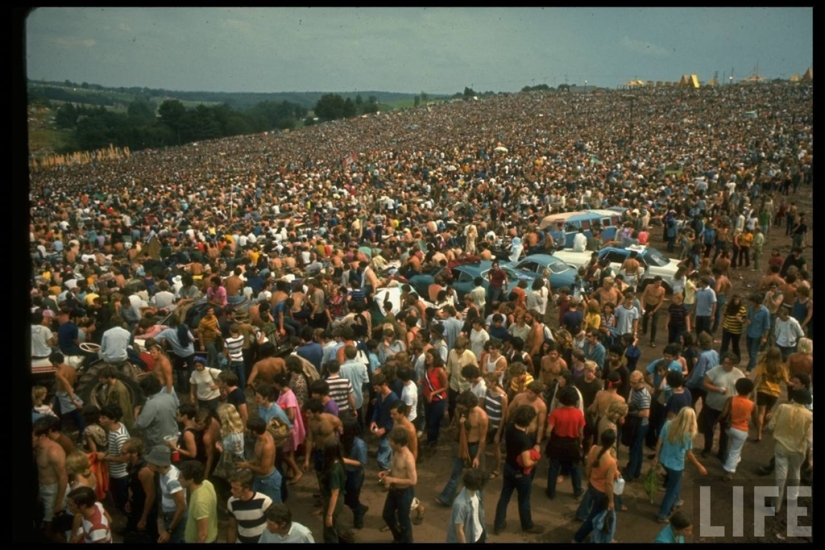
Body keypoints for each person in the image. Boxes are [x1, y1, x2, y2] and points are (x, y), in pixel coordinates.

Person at [492, 405, 544, 536]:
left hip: (508, 467)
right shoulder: (524, 440)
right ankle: (527, 525)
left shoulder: (510, 427)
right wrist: (536, 459)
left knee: (504, 496)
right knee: (524, 499)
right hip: (520, 473)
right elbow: (526, 463)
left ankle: (498, 525)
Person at [653, 408, 707, 523]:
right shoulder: (687, 434)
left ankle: (677, 501)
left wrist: (656, 457)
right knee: (671, 489)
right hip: (676, 465)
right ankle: (662, 514)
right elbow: (689, 454)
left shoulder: (668, 424)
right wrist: (699, 466)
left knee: (675, 481)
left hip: (664, 460)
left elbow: (659, 442)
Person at [436, 391, 489, 506]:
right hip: (463, 446)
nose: (459, 406)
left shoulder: (482, 417)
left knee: (478, 476)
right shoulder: (463, 412)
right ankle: (446, 498)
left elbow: (483, 439)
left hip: (475, 447)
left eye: (461, 404)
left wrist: (477, 457)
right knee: (456, 472)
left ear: (468, 403)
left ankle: (478, 501)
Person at [766, 387, 813, 515]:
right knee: (795, 472)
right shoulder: (810, 416)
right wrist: (810, 458)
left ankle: (775, 506)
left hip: (781, 446)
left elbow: (770, 426)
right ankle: (792, 498)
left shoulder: (782, 408)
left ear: (794, 398)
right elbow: (810, 439)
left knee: (780, 476)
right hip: (799, 450)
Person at [572, 429, 618, 543]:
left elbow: (588, 467)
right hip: (601, 493)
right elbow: (609, 484)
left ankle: (607, 537)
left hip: (592, 485)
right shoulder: (611, 462)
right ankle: (578, 538)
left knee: (600, 515)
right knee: (596, 518)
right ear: (613, 442)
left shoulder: (593, 449)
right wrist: (611, 500)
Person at [701, 352, 745, 462]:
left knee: (725, 432)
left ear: (733, 364)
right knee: (709, 428)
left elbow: (743, 390)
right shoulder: (715, 370)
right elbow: (705, 383)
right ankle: (707, 448)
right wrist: (718, 389)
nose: (726, 365)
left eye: (729, 363)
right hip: (712, 405)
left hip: (728, 408)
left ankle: (722, 452)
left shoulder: (739, 374)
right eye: (725, 362)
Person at [544, 385, 585, 500]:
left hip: (557, 442)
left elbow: (548, 431)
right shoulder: (579, 414)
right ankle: (577, 490)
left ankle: (551, 491)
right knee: (575, 468)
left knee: (553, 468)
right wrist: (580, 443)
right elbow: (581, 432)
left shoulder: (556, 413)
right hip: (572, 444)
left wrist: (550, 440)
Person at [380, 427, 418, 544]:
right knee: (387, 515)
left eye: (391, 441)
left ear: (398, 443)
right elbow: (394, 467)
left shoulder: (408, 458)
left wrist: (392, 479)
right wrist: (387, 472)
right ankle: (398, 537)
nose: (389, 442)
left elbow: (413, 481)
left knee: (404, 521)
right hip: (394, 490)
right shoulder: (395, 451)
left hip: (405, 493)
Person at [33, 417, 69, 538]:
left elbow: (63, 477)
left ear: (42, 436)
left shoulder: (54, 452)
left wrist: (59, 501)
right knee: (45, 518)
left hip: (53, 489)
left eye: (32, 437)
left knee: (50, 522)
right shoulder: (37, 448)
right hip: (43, 487)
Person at [715, 377, 756, 480]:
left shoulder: (731, 399)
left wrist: (715, 423)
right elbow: (755, 420)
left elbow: (723, 414)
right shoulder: (752, 404)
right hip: (742, 430)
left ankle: (732, 462)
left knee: (733, 448)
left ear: (737, 388)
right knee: (735, 450)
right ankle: (728, 472)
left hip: (729, 427)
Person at [145, 445, 187, 544]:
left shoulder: (172, 481)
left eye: (151, 462)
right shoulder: (164, 471)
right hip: (168, 515)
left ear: (158, 464)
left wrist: (169, 530)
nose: (148, 465)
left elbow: (181, 506)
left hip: (174, 518)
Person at [121, 437, 160, 542]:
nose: (121, 456)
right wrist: (130, 500)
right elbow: (131, 484)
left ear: (134, 453)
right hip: (136, 502)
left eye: (124, 453)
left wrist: (143, 519)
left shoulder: (144, 470)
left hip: (145, 507)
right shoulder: (132, 464)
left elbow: (151, 496)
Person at [237, 417, 283, 505]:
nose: (246, 430)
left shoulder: (267, 446)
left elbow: (264, 470)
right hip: (259, 479)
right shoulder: (261, 437)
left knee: (273, 507)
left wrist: (247, 466)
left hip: (269, 481)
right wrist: (248, 463)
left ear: (254, 432)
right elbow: (258, 458)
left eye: (248, 429)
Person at [751, 347, 789, 442]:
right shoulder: (782, 367)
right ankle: (764, 426)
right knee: (769, 411)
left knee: (761, 413)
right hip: (775, 393)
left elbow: (758, 378)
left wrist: (753, 389)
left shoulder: (763, 365)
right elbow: (787, 381)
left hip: (762, 391)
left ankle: (759, 434)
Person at [134, 374, 179, 451]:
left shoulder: (151, 403)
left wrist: (136, 413)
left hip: (158, 442)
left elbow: (140, 424)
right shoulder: (169, 397)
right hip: (173, 437)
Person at [226, 468, 273, 544]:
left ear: (246, 488)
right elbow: (232, 527)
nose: (231, 491)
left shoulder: (264, 502)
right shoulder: (231, 502)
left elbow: (274, 527)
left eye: (235, 489)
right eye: (232, 487)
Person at [179, 460, 218, 543]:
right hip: (213, 534)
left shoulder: (199, 502)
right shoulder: (207, 483)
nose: (178, 479)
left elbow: (202, 535)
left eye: (181, 477)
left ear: (191, 480)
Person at [445, 468, 488, 543]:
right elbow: (459, 530)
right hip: (470, 537)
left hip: (479, 533)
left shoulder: (477, 493)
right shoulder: (460, 504)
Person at [340, 418, 369, 529]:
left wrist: (343, 460)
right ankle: (360, 509)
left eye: (342, 427)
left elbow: (362, 463)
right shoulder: (345, 440)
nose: (340, 429)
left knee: (352, 498)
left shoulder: (359, 445)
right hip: (347, 473)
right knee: (348, 497)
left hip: (356, 475)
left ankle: (358, 515)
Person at [623, 370, 651, 481]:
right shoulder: (634, 389)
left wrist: (631, 413)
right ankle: (635, 471)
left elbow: (645, 413)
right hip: (635, 423)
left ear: (641, 382)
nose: (631, 385)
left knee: (635, 449)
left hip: (641, 425)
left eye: (634, 383)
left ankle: (630, 474)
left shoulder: (644, 395)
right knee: (637, 448)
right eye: (630, 382)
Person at [371, 373, 400, 471]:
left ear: (384, 384)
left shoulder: (393, 398)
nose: (375, 390)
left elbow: (395, 418)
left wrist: (384, 429)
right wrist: (373, 421)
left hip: (389, 432)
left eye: (376, 388)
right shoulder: (379, 394)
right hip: (381, 428)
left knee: (382, 459)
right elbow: (377, 409)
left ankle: (392, 474)